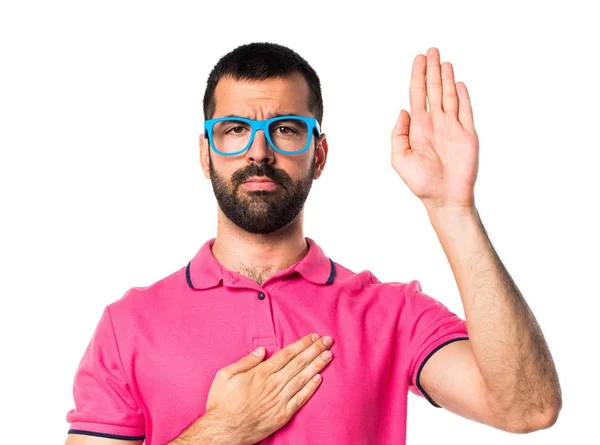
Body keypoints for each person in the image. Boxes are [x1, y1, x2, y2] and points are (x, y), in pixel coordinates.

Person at [64, 42, 562, 445]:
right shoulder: (127, 326)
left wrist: (453, 210)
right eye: (235, 130)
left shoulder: (392, 314)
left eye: (285, 129)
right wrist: (221, 431)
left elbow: (528, 407)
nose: (259, 151)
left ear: (319, 155)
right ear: (206, 152)